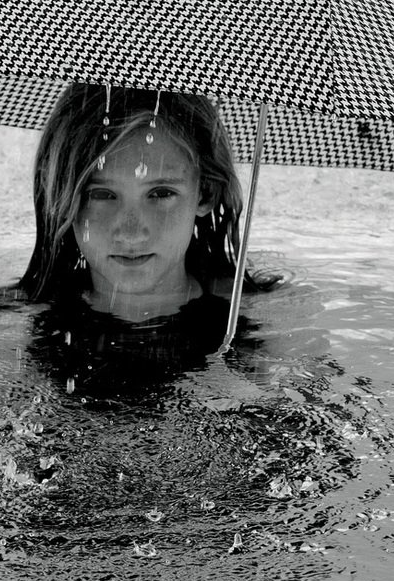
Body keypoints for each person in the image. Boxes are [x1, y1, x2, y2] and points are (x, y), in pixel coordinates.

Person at [15, 83, 272, 397]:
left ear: (206, 192)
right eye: (101, 194)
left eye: (161, 193)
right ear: (63, 197)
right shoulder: (16, 329)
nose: (131, 233)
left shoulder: (261, 326)